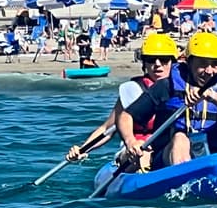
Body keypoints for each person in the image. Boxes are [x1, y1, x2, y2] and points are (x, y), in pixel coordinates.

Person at [117, 31, 217, 171]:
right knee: (180, 138)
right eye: (202, 64)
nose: (209, 71)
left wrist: (210, 95)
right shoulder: (167, 85)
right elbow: (126, 116)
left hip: (214, 157)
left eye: (215, 64)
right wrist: (130, 141)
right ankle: (183, 183)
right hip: (167, 159)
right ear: (188, 61)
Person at [66, 32, 178, 167]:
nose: (157, 64)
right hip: (135, 149)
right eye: (151, 59)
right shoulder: (132, 90)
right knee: (143, 152)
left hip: (166, 147)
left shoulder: (183, 89)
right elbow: (107, 129)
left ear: (173, 62)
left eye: (164, 59)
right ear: (144, 63)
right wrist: (83, 149)